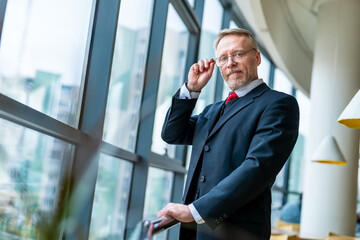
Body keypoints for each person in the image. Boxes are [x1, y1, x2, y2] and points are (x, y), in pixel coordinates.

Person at [155, 28, 300, 240]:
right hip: (194, 231)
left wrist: (195, 210)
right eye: (223, 58)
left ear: (257, 58)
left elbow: (257, 167)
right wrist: (192, 88)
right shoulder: (212, 110)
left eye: (238, 54)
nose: (230, 62)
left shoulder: (278, 104)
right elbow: (172, 134)